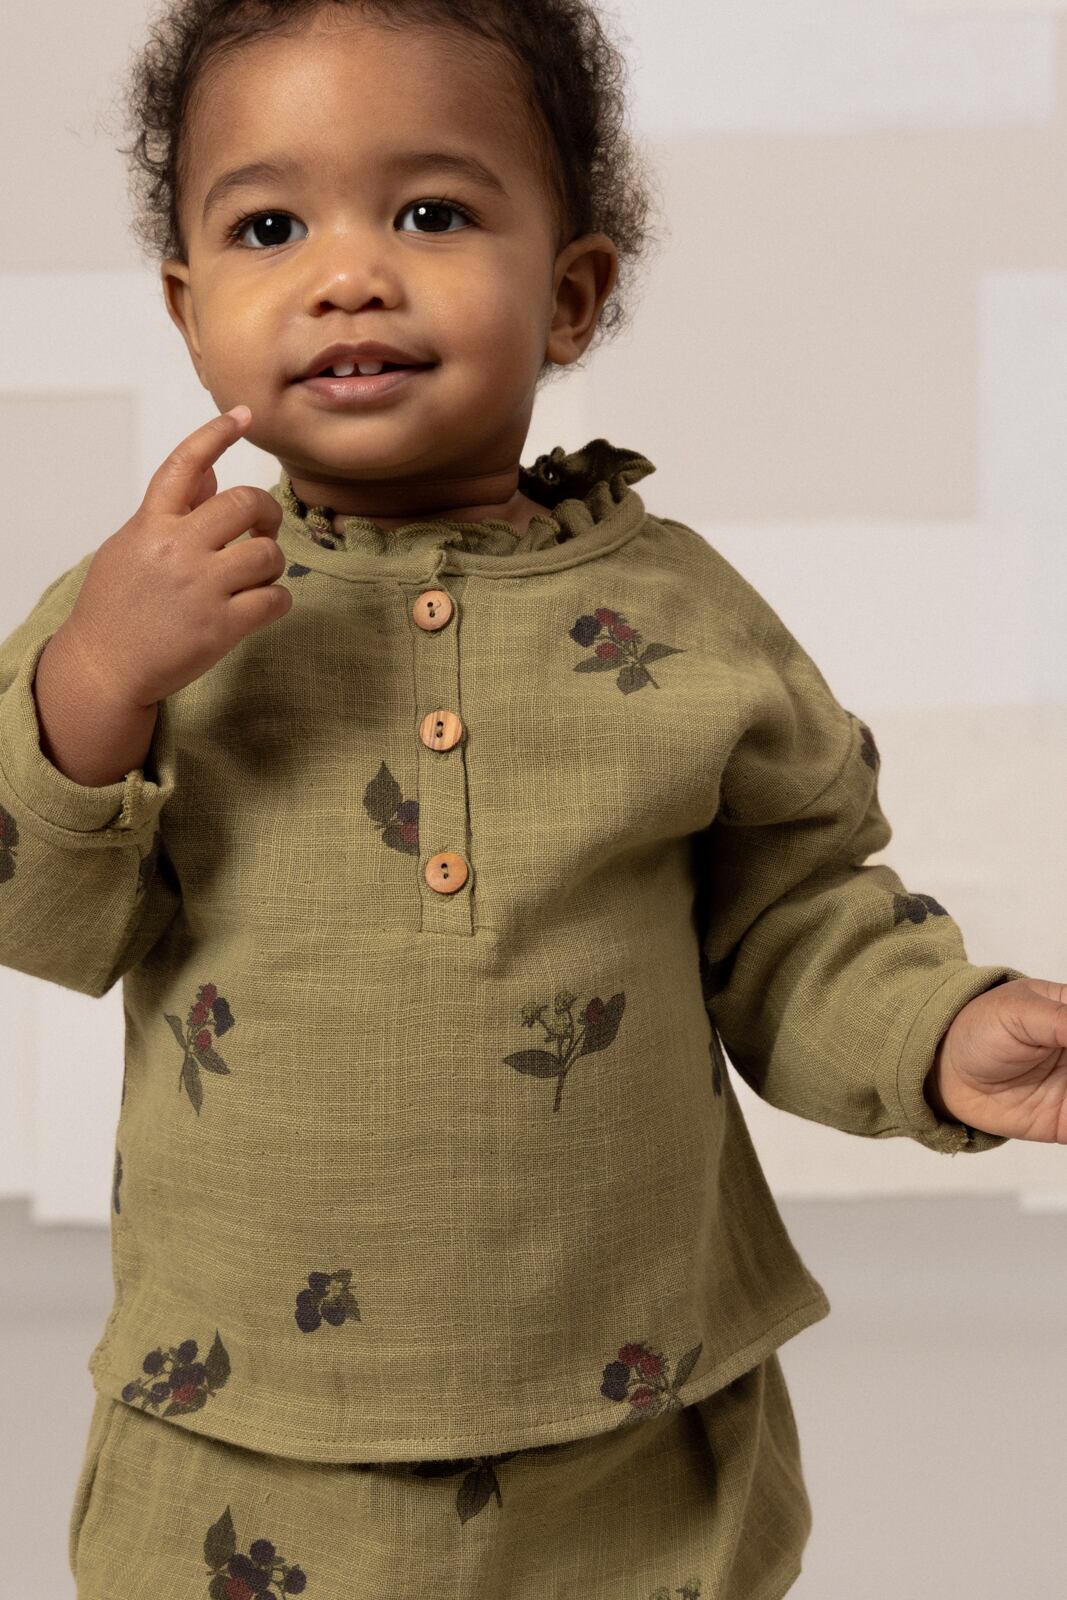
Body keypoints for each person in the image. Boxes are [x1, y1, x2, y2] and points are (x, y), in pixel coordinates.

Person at [1, 1, 1062, 1595]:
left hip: (629, 1424)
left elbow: (792, 927)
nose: (348, 274)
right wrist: (97, 681)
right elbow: (40, 913)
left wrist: (937, 1031)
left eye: (432, 212)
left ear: (570, 294)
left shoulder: (680, 615)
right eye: (270, 227)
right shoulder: (148, 609)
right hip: (246, 1429)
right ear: (189, 309)